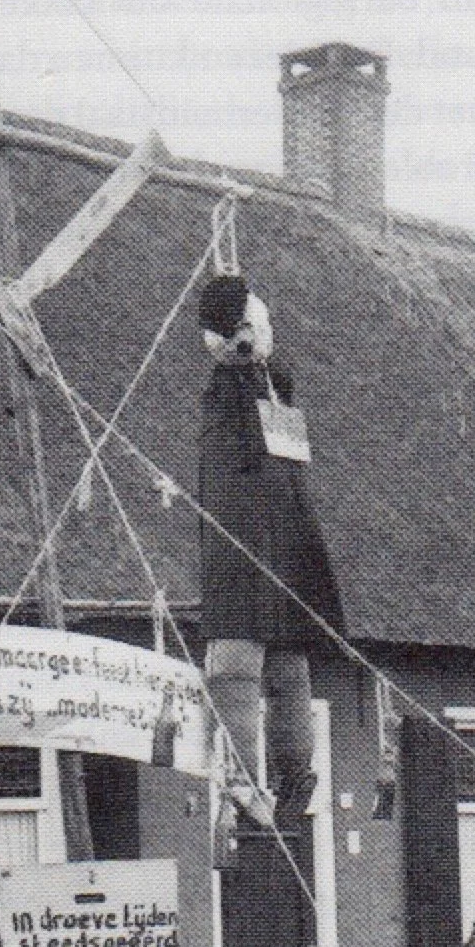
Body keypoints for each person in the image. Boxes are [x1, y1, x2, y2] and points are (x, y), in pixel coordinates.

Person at [196, 274, 342, 826]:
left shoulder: (269, 388)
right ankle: (244, 778)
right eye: (263, 325)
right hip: (246, 544)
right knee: (242, 656)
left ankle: (291, 775)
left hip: (280, 544)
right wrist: (243, 349)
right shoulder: (231, 392)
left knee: (285, 663)